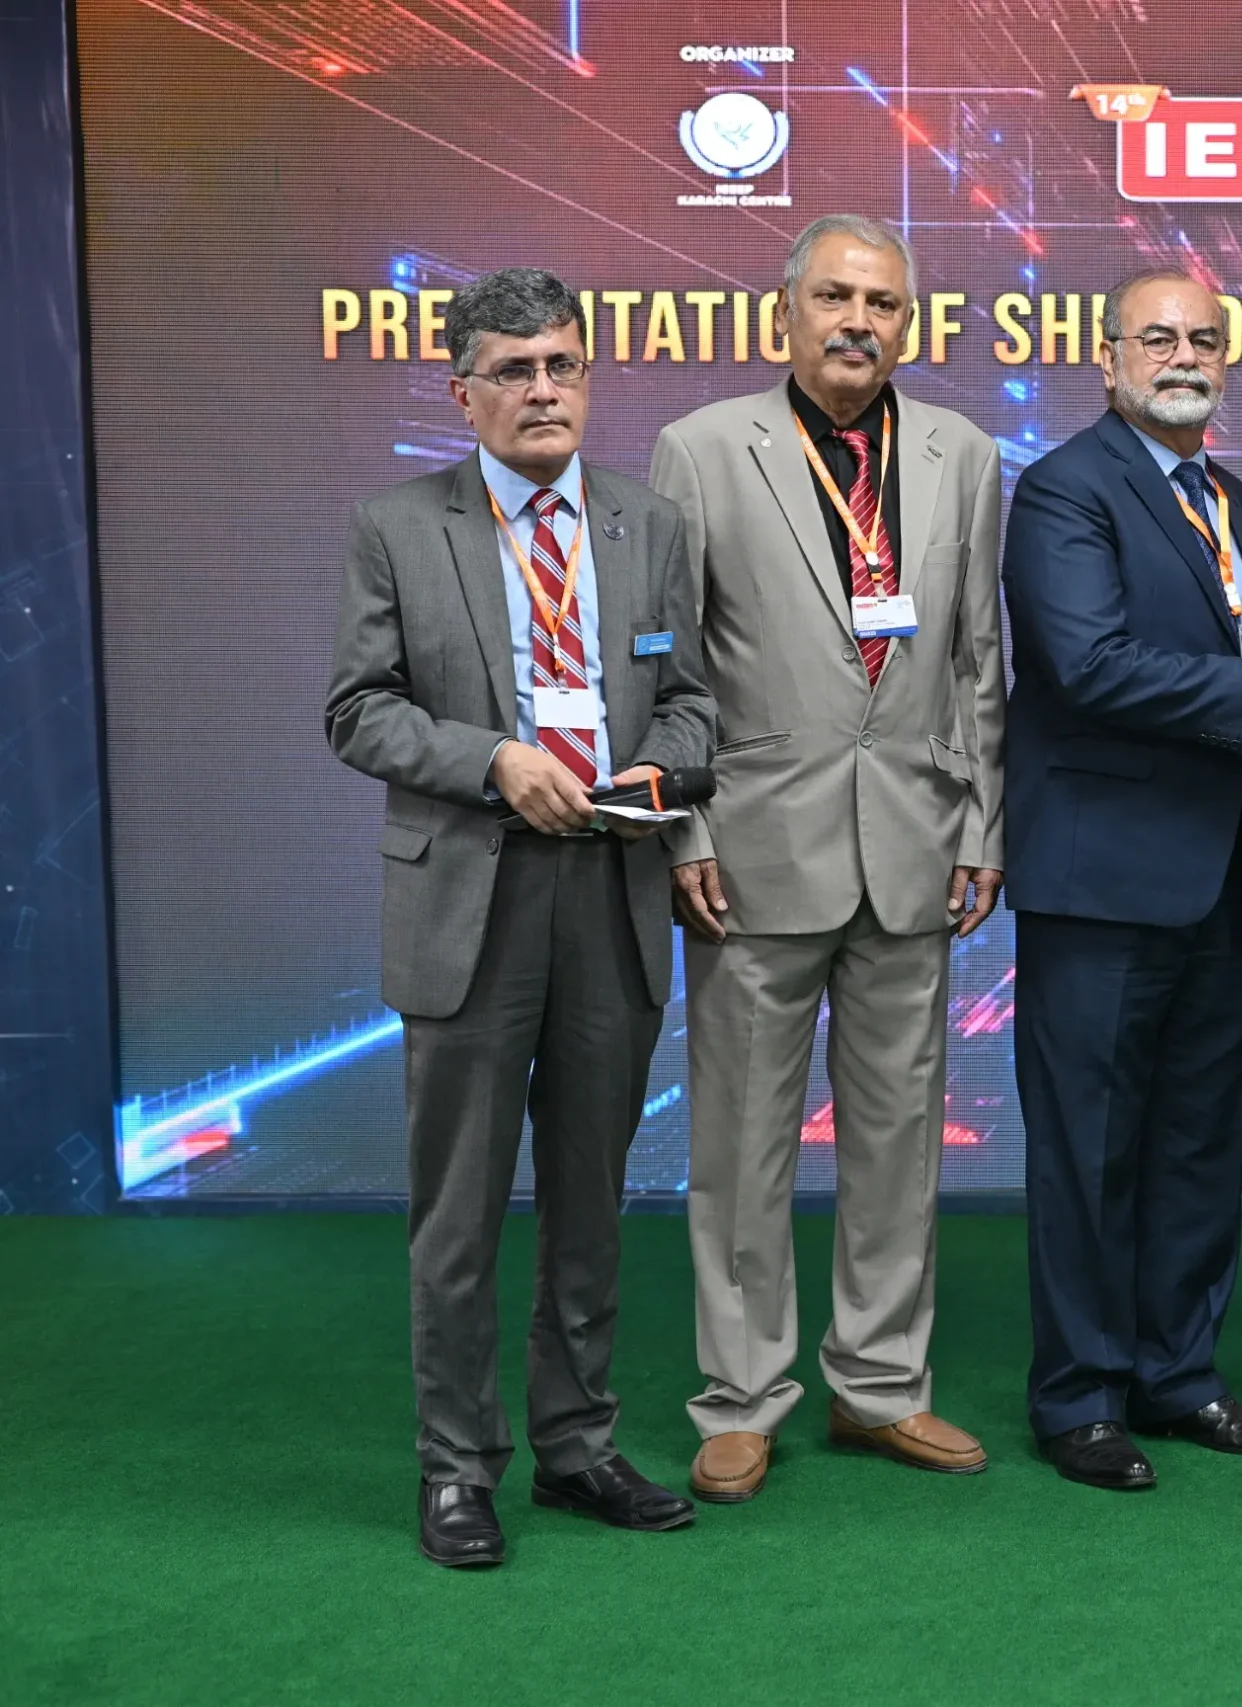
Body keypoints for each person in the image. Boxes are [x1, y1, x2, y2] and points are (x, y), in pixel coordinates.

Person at [325, 267, 715, 1566]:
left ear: (587, 377)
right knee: (460, 1209)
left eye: (563, 365)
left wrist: (658, 774)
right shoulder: (396, 525)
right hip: (470, 894)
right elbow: (357, 710)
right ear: (463, 393)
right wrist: (495, 759)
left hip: (612, 885)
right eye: (514, 370)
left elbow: (694, 702)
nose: (544, 391)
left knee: (591, 1198)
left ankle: (578, 1446)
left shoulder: (650, 523)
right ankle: (456, 1467)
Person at [1002, 268, 1242, 1490]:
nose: (1183, 356)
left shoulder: (1240, 506)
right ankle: (1079, 1398)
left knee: (1200, 1140)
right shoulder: (1064, 489)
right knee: (1088, 1149)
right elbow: (1088, 666)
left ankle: (1178, 1377)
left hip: (1220, 873)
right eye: (1157, 337)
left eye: (1205, 338)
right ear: (1107, 359)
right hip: (1099, 880)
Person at [649, 215, 1007, 1503]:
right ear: (784, 310)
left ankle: (881, 1386)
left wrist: (982, 822)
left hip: (915, 842)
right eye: (836, 297)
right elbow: (669, 665)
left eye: (885, 303)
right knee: (740, 1141)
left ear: (909, 323)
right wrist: (684, 826)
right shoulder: (700, 448)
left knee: (900, 1139)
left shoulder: (963, 453)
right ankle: (740, 1397)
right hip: (752, 851)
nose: (860, 321)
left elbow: (976, 658)